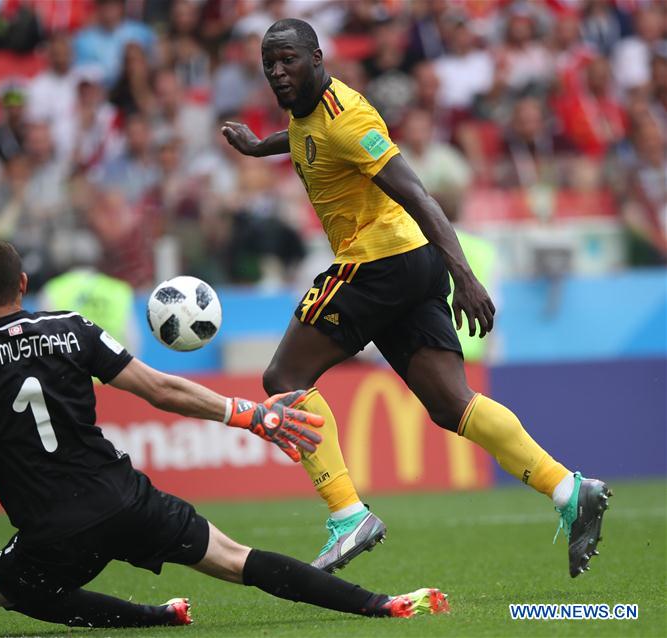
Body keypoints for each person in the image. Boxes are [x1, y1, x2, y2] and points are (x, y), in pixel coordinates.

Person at [0, 238, 449, 629]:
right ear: (22, 284)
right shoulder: (71, 329)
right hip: (124, 498)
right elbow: (161, 389)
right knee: (236, 561)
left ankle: (156, 620)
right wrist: (253, 416)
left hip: (51, 531)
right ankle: (381, 605)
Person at [221, 18, 611, 578]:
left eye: (288, 60)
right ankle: (569, 489)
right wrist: (263, 148)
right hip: (407, 265)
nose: (277, 73)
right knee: (453, 404)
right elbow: (308, 139)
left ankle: (347, 515)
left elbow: (419, 194)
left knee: (284, 379)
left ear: (317, 57)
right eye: (269, 64)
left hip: (379, 261)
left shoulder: (348, 118)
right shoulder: (307, 111)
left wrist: (466, 274)